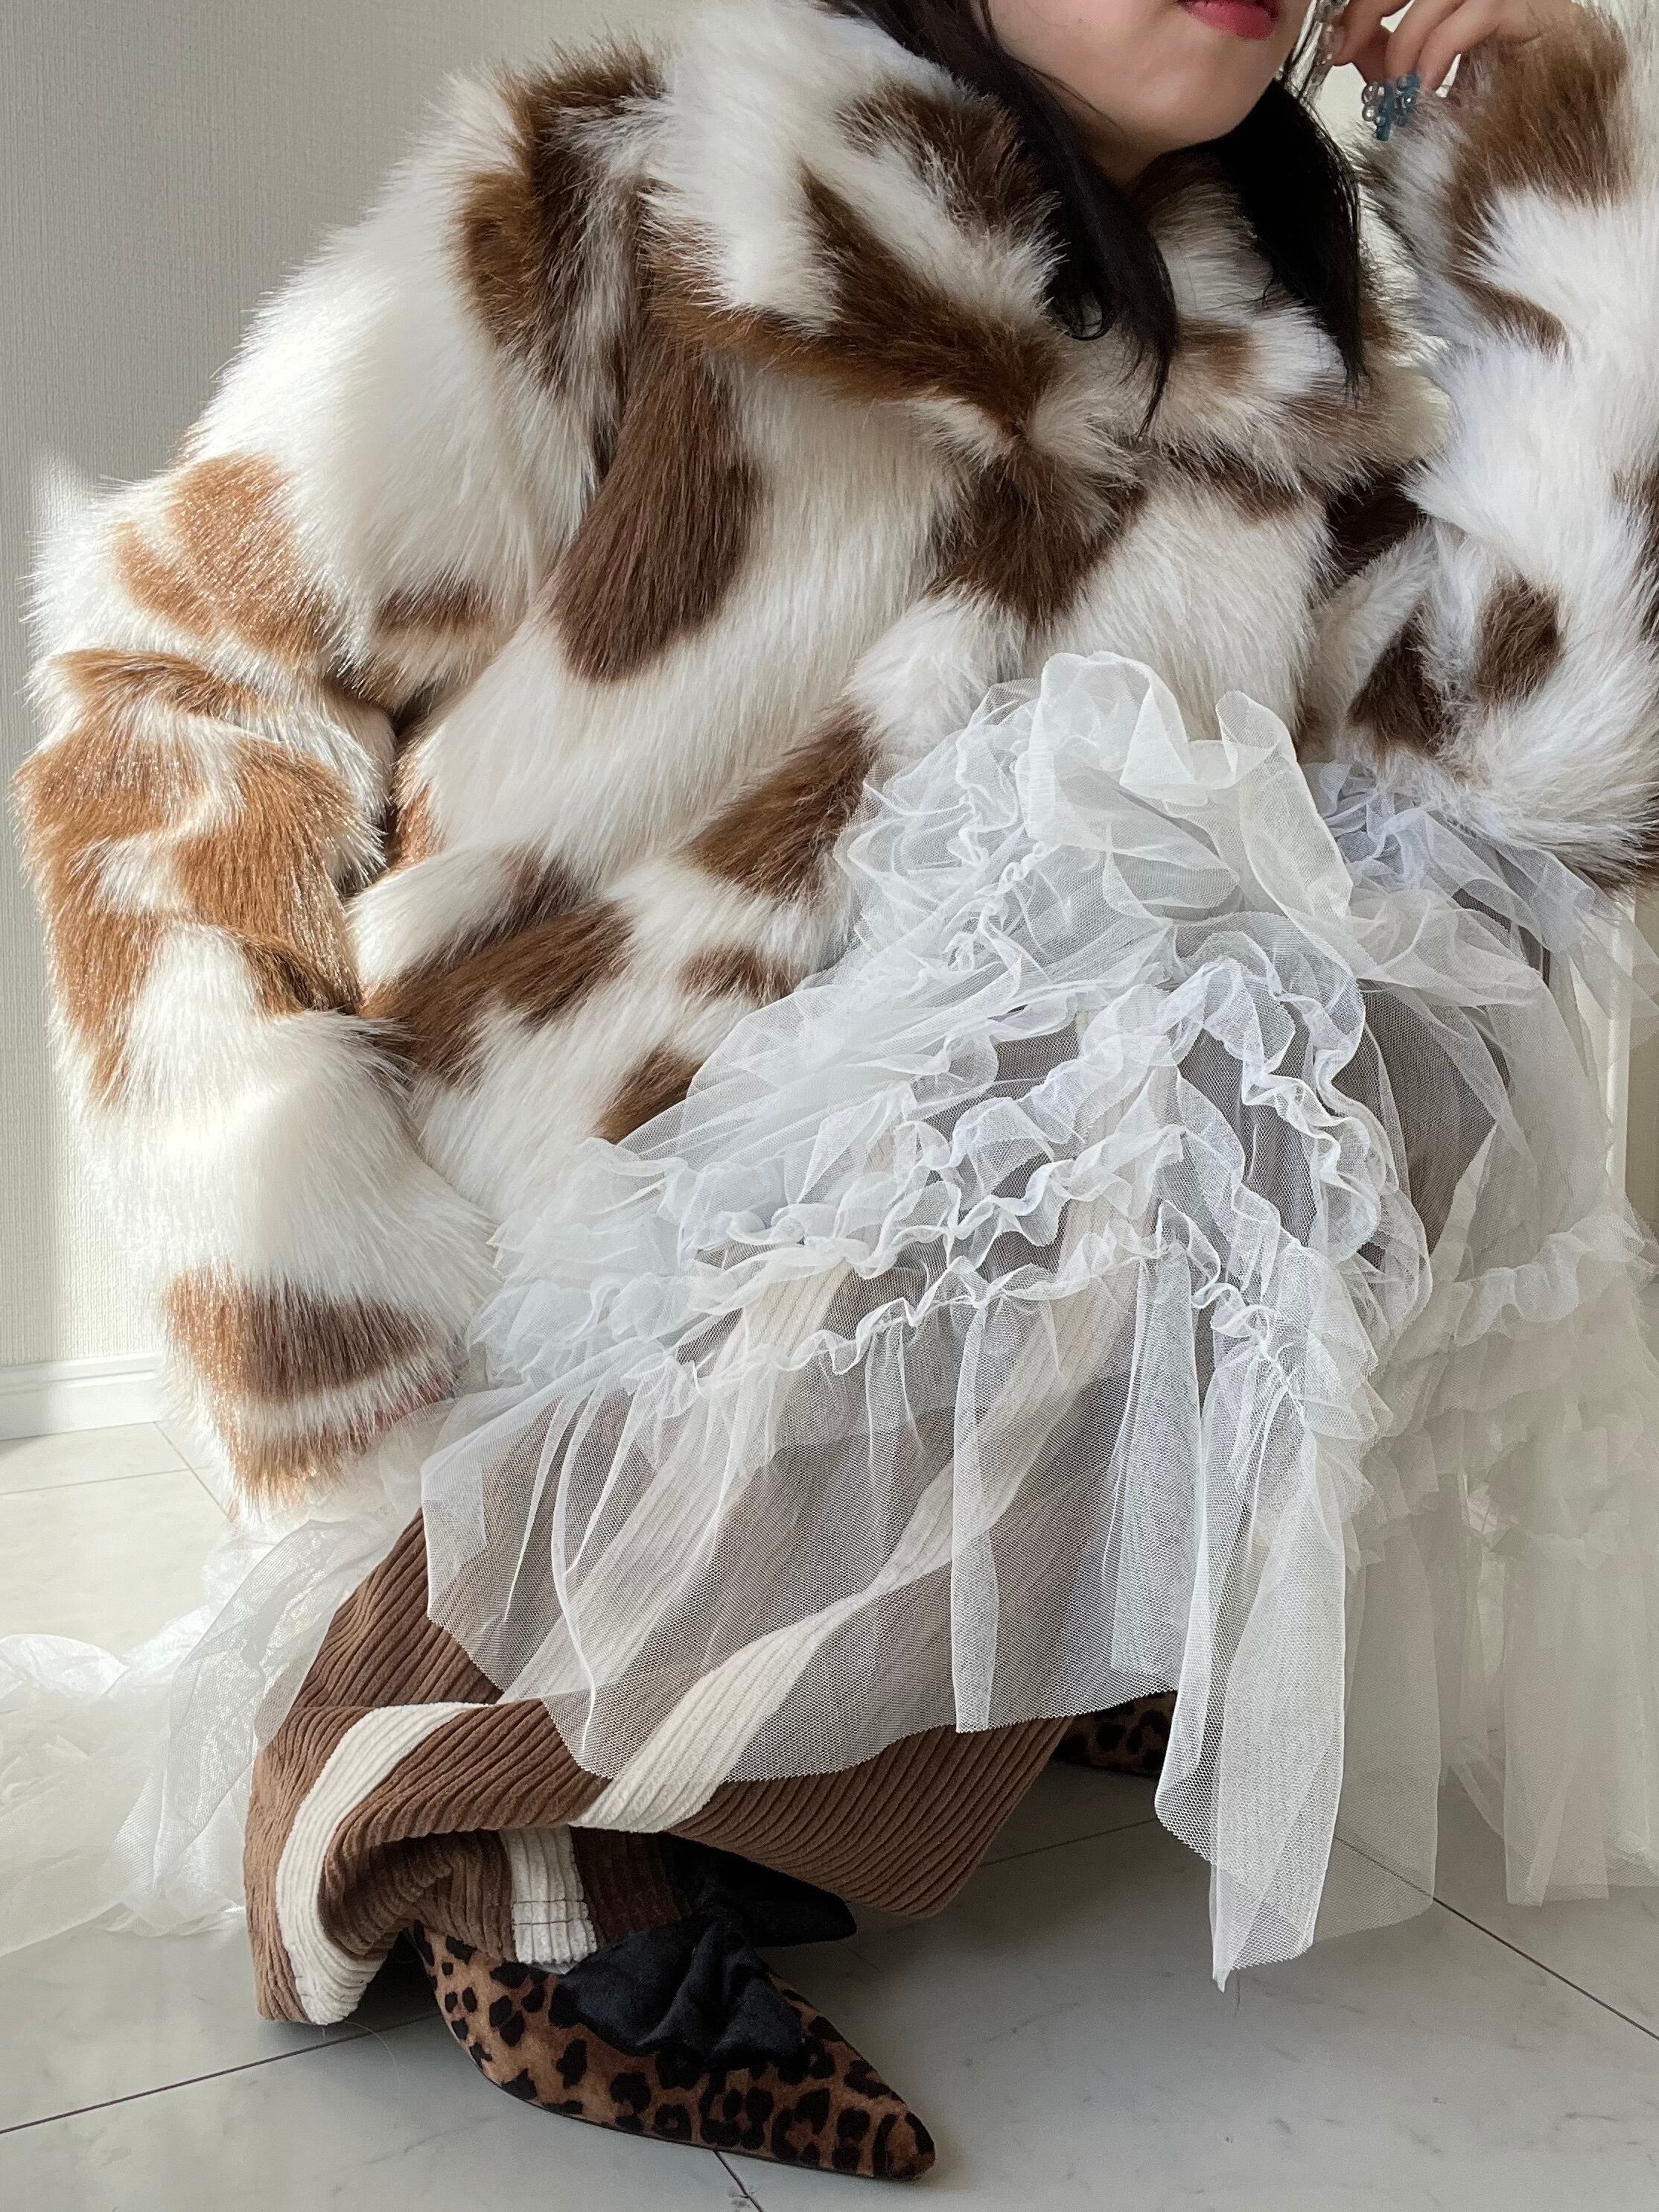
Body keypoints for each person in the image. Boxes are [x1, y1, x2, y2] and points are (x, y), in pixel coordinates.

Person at [11, 0, 1659, 2182]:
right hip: (541, 1269)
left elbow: (1542, 802)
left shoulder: (1284, 369)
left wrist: (1541, 168)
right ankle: (469, 1793)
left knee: (1390, 976)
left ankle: (930, 1676)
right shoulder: (622, 194)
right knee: (1161, 973)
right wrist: (315, 1329)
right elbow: (168, 692)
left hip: (859, 1298)